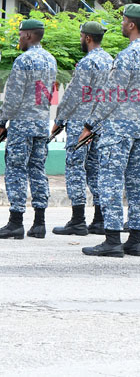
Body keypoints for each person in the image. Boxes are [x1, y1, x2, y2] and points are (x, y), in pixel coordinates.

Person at [78, 4, 140, 256]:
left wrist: (90, 124)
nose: (122, 25)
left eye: (123, 21)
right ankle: (135, 239)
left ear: (131, 24)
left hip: (119, 127)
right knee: (137, 182)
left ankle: (112, 238)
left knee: (110, 180)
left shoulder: (128, 55)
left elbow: (112, 94)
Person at [52, 21, 113, 237]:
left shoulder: (88, 63)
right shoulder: (109, 60)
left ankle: (78, 220)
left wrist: (59, 120)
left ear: (87, 38)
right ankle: (99, 219)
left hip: (81, 122)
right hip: (101, 123)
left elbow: (73, 95)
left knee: (76, 167)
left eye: (81, 36)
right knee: (97, 169)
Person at [0, 19, 58, 240]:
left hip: (22, 124)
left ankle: (16, 222)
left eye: (21, 34)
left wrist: (1, 122)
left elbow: (13, 97)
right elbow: (51, 95)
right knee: (37, 170)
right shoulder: (51, 60)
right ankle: (39, 223)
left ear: (29, 36)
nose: (19, 38)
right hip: (41, 123)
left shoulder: (23, 61)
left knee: (16, 170)